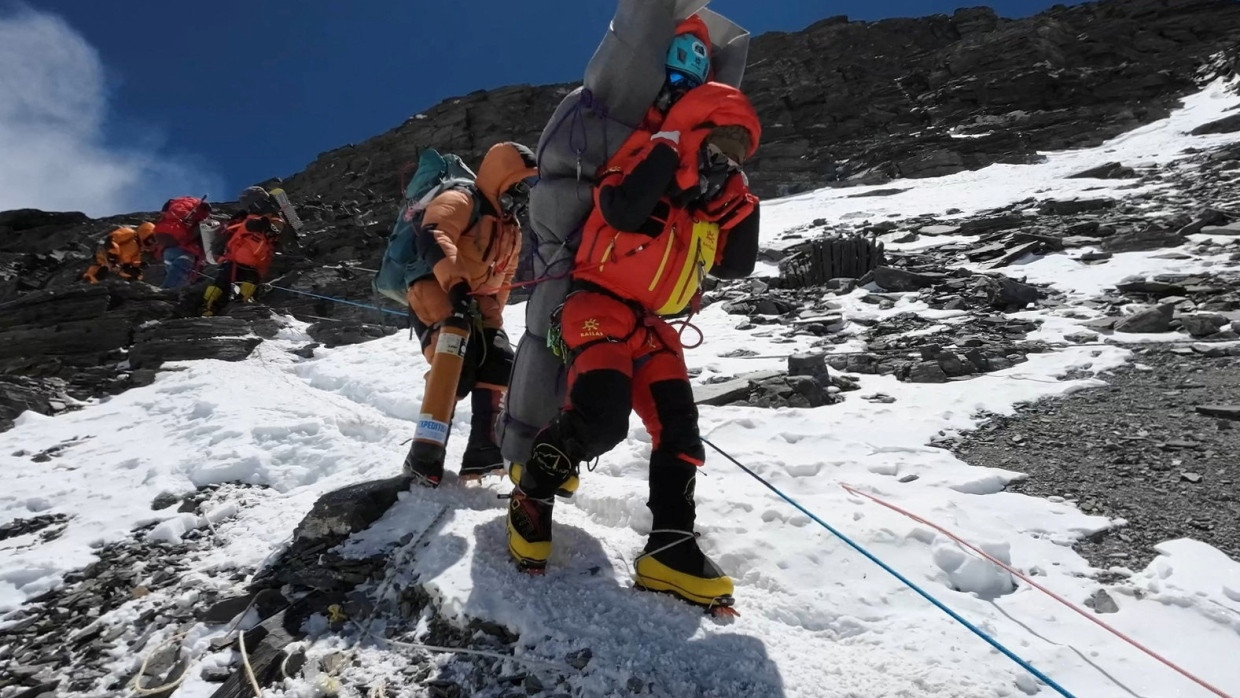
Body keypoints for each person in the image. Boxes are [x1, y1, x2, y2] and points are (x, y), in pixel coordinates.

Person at [505, 71, 761, 611]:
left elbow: (737, 267)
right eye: (719, 146)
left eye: (737, 156)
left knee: (680, 431)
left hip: (652, 324)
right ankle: (533, 492)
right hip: (595, 303)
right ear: (694, 134)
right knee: (601, 418)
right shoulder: (646, 161)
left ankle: (670, 545)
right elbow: (620, 210)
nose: (727, 163)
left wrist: (745, 207)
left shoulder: (704, 210)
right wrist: (672, 146)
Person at [402, 142, 538, 486]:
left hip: (478, 302)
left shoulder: (512, 229)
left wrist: (493, 320)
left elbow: (503, 279)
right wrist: (457, 285)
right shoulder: (462, 199)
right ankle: (425, 453)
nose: (520, 195)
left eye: (526, 188)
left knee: (499, 360)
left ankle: (484, 449)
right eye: (516, 185)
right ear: (499, 178)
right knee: (454, 358)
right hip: (436, 287)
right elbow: (434, 235)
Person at [202, 187, 294, 316]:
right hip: (247, 262)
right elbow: (254, 227)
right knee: (230, 284)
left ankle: (212, 308)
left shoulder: (249, 219)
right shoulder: (256, 219)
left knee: (224, 283)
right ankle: (219, 308)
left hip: (240, 261)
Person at [152, 196, 213, 289]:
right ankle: (164, 294)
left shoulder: (177, 204)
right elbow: (203, 242)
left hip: (166, 248)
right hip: (183, 251)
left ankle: (169, 294)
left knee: (174, 276)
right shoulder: (202, 216)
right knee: (174, 285)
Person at [82, 222, 157, 283]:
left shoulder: (138, 250)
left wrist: (140, 264)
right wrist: (112, 257)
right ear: (144, 233)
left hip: (117, 264)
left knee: (137, 273)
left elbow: (133, 261)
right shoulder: (131, 234)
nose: (151, 244)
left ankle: (131, 285)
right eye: (150, 240)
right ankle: (88, 278)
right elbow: (112, 239)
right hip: (107, 254)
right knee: (101, 269)